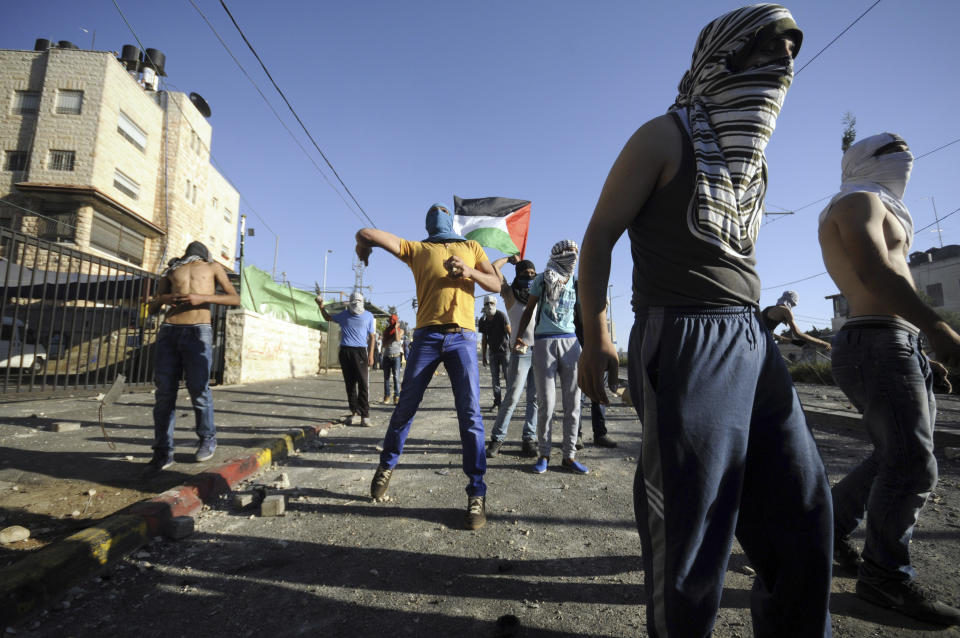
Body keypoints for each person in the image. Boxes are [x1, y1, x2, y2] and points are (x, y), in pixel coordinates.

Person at [577, 6, 834, 636]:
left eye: (791, 55)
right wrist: (597, 338)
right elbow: (599, 238)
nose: (784, 68)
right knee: (690, 534)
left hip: (751, 337)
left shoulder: (750, 164)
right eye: (769, 52)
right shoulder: (663, 136)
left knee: (802, 508)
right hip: (685, 337)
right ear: (725, 59)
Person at [819, 132, 960, 626]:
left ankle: (827, 531)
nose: (904, 155)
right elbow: (876, 269)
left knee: (894, 458)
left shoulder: (885, 207)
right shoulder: (856, 200)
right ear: (859, 161)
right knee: (912, 467)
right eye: (890, 148)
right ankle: (883, 577)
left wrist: (923, 346)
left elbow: (894, 274)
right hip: (875, 342)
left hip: (898, 342)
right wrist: (937, 326)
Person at [355, 203, 501, 530]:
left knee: (471, 415)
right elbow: (366, 233)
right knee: (405, 407)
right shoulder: (417, 248)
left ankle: (476, 493)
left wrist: (469, 272)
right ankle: (386, 467)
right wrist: (361, 247)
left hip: (462, 337)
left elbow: (496, 285)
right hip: (427, 338)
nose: (439, 211)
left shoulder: (470, 247)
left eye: (442, 210)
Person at [144, 241, 240, 475]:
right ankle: (163, 450)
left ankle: (207, 439)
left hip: (198, 329)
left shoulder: (213, 267)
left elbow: (234, 299)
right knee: (164, 392)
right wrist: (164, 299)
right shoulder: (171, 269)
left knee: (199, 389)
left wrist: (202, 298)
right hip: (169, 330)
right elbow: (153, 306)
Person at [516, 240, 588, 475]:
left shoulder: (576, 282)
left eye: (575, 254)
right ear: (558, 255)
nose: (573, 258)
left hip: (571, 343)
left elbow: (582, 314)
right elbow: (529, 310)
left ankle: (569, 456)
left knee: (573, 403)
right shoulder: (542, 279)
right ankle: (544, 454)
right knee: (546, 404)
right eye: (570, 254)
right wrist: (520, 337)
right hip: (544, 343)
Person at [486, 255, 539, 458]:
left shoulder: (539, 294)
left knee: (534, 399)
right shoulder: (509, 294)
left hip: (539, 351)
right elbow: (492, 268)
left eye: (533, 274)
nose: (530, 277)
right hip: (520, 353)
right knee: (512, 398)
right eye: (526, 273)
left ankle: (529, 439)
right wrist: (509, 259)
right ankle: (497, 439)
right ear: (518, 275)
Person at [316, 291, 376, 426]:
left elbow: (372, 337)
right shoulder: (344, 315)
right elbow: (328, 318)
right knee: (350, 384)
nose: (356, 306)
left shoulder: (368, 316)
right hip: (345, 351)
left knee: (363, 383)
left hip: (360, 352)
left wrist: (371, 355)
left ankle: (365, 415)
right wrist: (321, 307)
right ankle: (355, 412)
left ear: (362, 302)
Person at [573, 297, 617, 449]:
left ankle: (600, 434)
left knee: (598, 397)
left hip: (600, 359)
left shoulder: (604, 318)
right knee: (579, 398)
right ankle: (576, 435)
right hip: (582, 357)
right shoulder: (578, 312)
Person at [761, 290, 832, 349]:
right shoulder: (785, 311)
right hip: (764, 345)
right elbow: (798, 334)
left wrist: (795, 342)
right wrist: (823, 343)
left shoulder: (768, 309)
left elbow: (768, 333)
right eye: (793, 305)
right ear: (791, 302)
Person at [478, 294, 511, 411]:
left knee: (508, 377)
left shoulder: (501, 315)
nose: (489, 306)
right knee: (495, 379)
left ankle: (509, 402)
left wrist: (513, 350)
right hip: (492, 352)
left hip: (505, 351)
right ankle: (498, 402)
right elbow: (484, 339)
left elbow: (509, 332)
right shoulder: (483, 320)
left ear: (495, 304)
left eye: (491, 303)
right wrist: (483, 355)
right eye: (487, 304)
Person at [382, 312, 404, 403]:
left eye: (393, 320)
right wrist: (391, 339)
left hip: (396, 357)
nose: (391, 322)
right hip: (387, 356)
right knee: (386, 377)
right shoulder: (386, 330)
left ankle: (396, 396)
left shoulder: (401, 330)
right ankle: (387, 396)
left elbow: (398, 339)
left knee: (396, 377)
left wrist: (395, 328)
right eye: (390, 320)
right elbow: (384, 344)